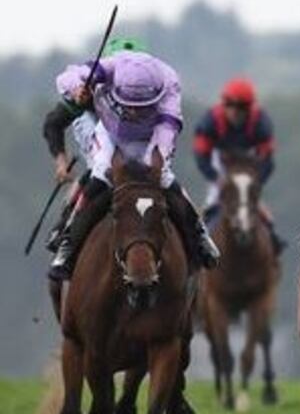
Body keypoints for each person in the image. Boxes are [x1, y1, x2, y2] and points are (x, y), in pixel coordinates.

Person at [48, 50, 220, 281]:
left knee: (164, 177)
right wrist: (77, 89)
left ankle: (199, 233)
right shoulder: (108, 68)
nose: (134, 111)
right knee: (101, 173)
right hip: (109, 134)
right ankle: (68, 244)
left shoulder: (169, 83)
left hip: (150, 138)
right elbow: (66, 78)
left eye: (141, 106)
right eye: (128, 105)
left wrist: (155, 164)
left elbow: (166, 132)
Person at [41, 37, 148, 251]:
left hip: (132, 152)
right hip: (99, 150)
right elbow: (53, 124)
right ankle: (65, 231)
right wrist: (61, 163)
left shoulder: (147, 90)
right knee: (102, 171)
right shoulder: (89, 86)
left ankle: (196, 240)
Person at [193, 77, 285, 253]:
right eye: (230, 105)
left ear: (249, 108)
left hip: (248, 164)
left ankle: (273, 240)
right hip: (219, 163)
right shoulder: (210, 120)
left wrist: (257, 182)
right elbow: (201, 155)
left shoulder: (260, 122)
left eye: (241, 107)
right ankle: (201, 243)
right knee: (213, 202)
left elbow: (267, 159)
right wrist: (215, 178)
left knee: (252, 203)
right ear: (223, 104)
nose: (235, 111)